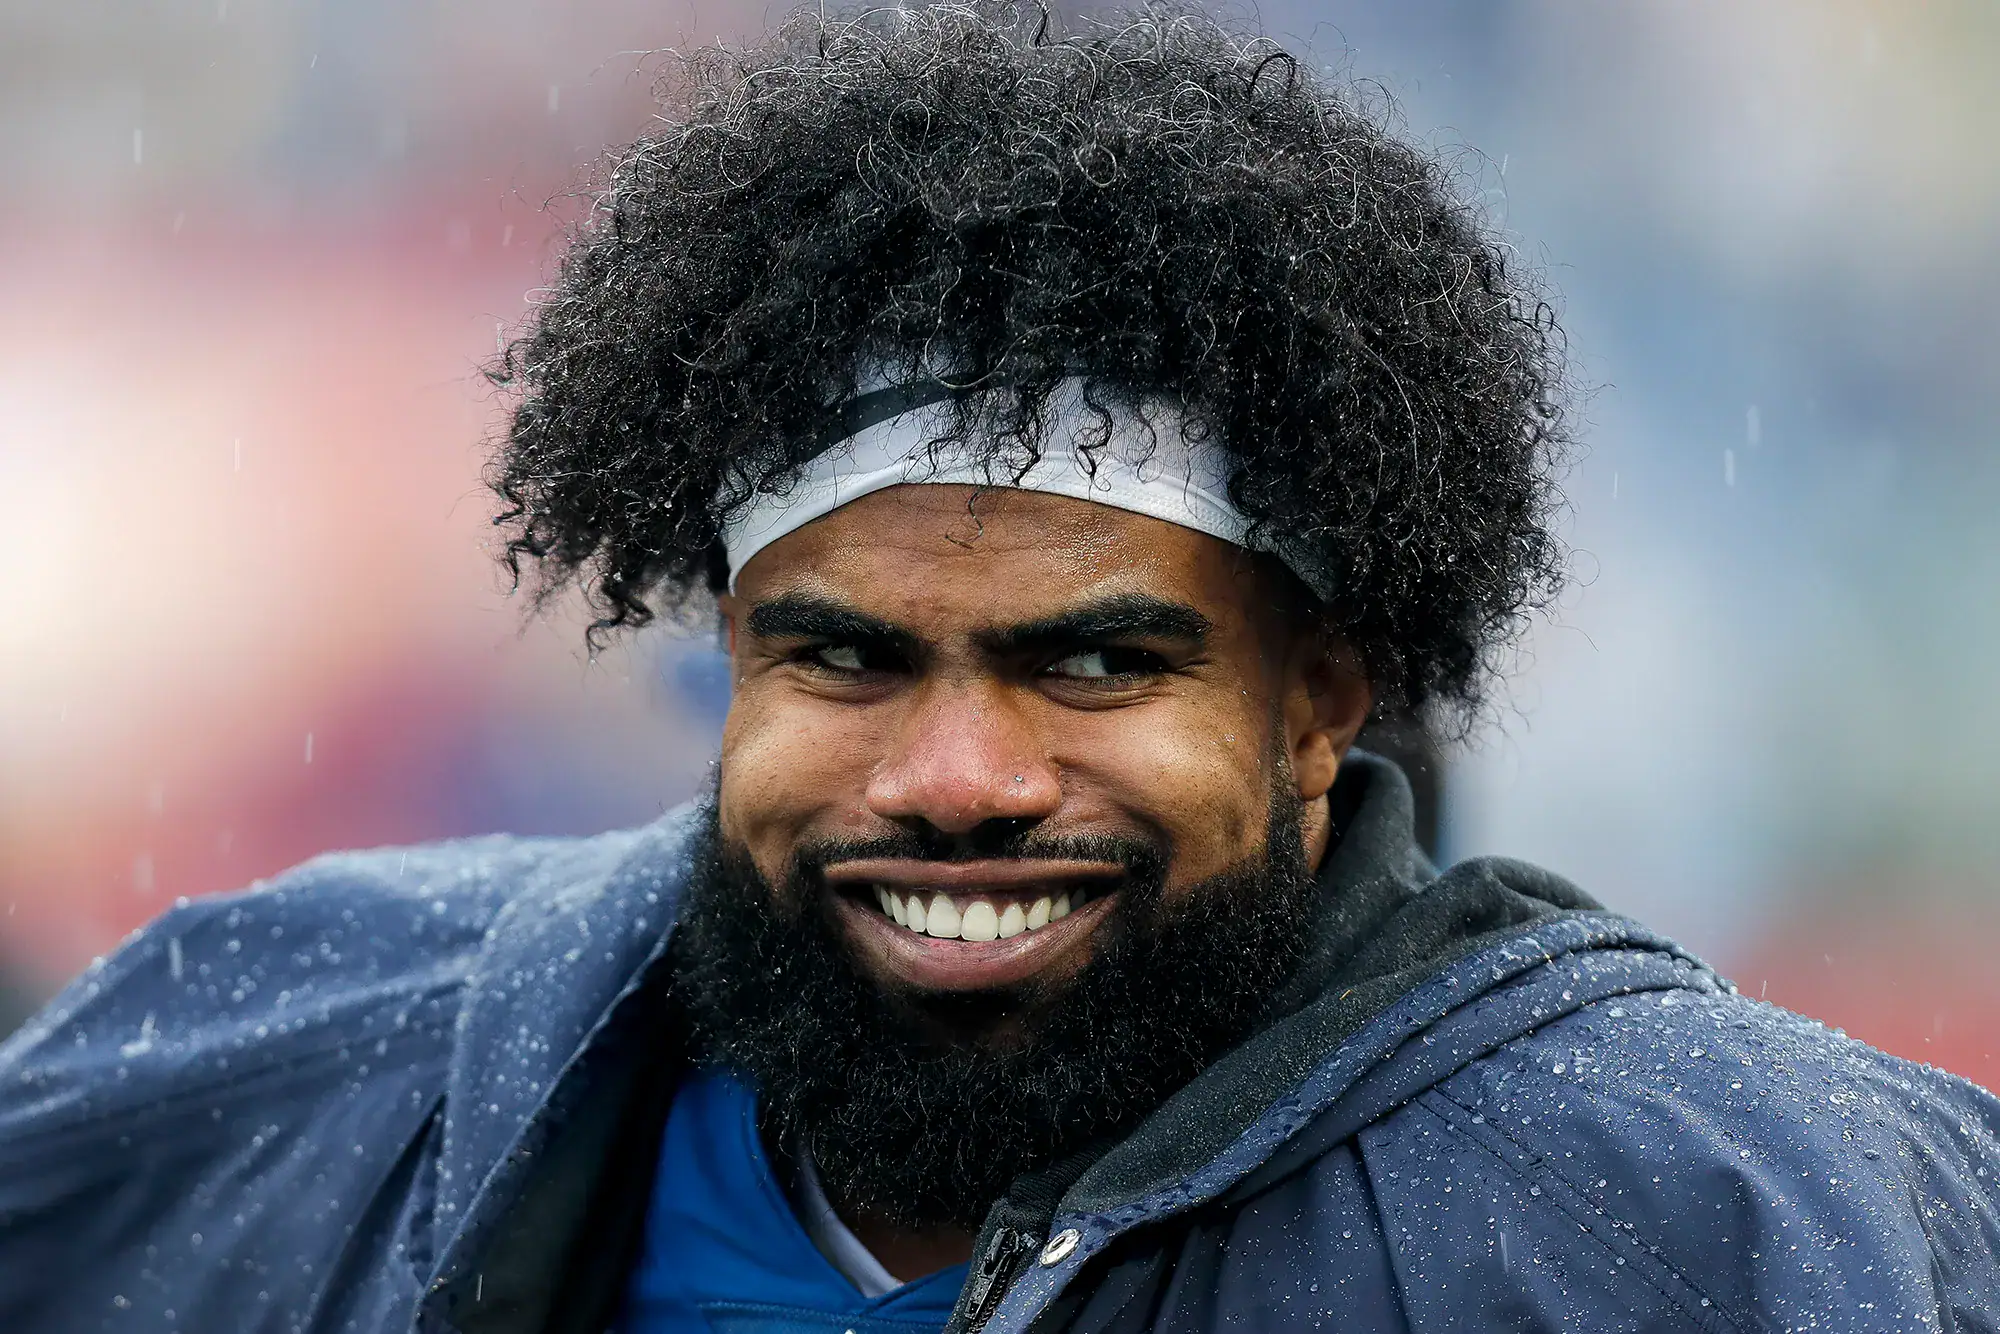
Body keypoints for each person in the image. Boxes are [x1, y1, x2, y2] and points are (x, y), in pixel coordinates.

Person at [2, 6, 1995, 1332]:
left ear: (1321, 700)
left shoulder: (1737, 1223)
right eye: (846, 659)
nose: (956, 772)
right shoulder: (271, 1086)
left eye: (1097, 661)